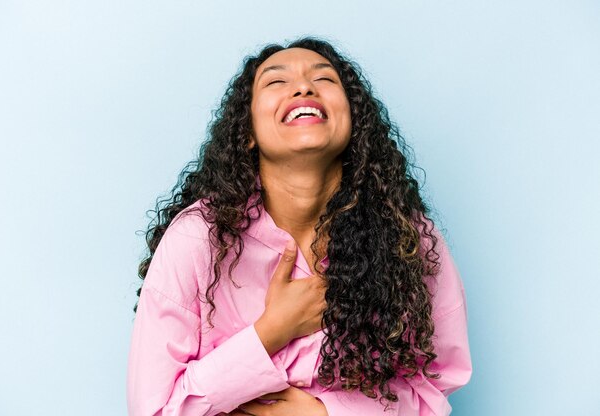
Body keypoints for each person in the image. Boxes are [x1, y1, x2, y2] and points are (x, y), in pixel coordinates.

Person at [127, 37, 472, 416]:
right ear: (248, 133)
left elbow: (434, 393)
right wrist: (271, 332)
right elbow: (154, 409)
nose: (304, 87)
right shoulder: (198, 238)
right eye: (276, 82)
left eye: (325, 79)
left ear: (354, 121)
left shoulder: (409, 242)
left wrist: (323, 413)